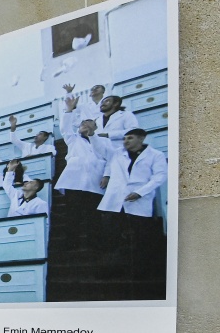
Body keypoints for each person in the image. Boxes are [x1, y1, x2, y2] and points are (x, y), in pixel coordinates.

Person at [97, 128, 168, 294]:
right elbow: (99, 148)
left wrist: (140, 192)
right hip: (115, 203)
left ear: (141, 138)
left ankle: (139, 274)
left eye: (130, 138)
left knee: (140, 240)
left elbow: (159, 176)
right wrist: (93, 134)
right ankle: (111, 271)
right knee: (111, 239)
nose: (126, 141)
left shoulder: (155, 155)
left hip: (139, 202)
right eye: (124, 138)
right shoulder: (117, 153)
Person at [55, 94, 115, 251]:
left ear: (95, 126)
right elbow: (65, 128)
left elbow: (110, 159)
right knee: (72, 214)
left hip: (95, 183)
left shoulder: (104, 141)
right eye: (82, 123)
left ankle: (94, 245)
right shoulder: (73, 139)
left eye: (88, 122)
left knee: (93, 216)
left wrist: (107, 175)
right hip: (74, 182)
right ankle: (71, 244)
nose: (84, 124)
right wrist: (69, 110)